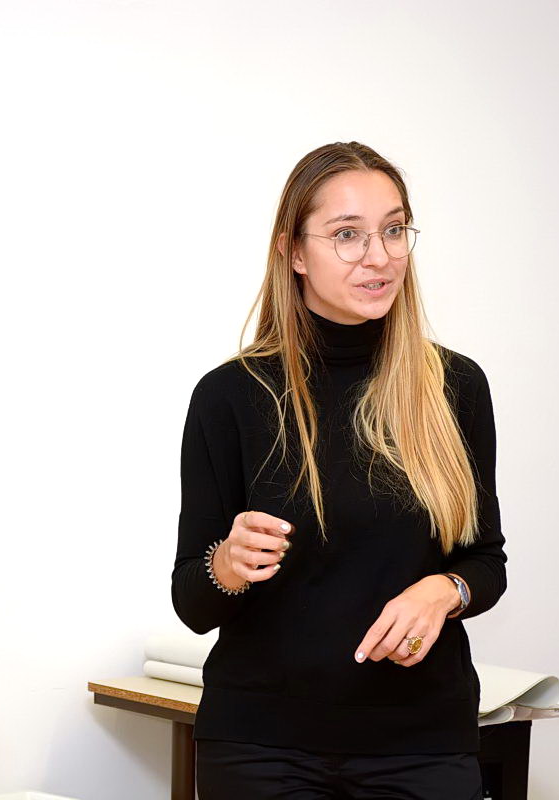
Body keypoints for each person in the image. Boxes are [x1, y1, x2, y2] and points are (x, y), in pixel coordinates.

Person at [171, 141, 507, 799]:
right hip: (261, 746)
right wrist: (229, 564)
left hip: (421, 744)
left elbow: (485, 561)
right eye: (347, 234)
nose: (379, 256)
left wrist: (443, 591)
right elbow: (192, 602)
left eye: (393, 230)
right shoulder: (231, 396)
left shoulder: (456, 386)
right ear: (294, 252)